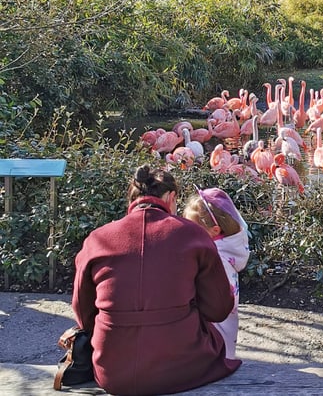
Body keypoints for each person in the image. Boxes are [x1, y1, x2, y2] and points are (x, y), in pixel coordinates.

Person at [72, 165, 241, 395]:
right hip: (183, 368)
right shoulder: (193, 235)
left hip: (112, 371)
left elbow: (83, 313)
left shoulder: (97, 239)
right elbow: (219, 309)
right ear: (171, 197)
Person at [183, 186, 251, 359]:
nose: (187, 233)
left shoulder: (215, 257)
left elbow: (211, 296)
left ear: (215, 230)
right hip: (225, 327)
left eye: (193, 229)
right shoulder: (230, 249)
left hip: (213, 332)